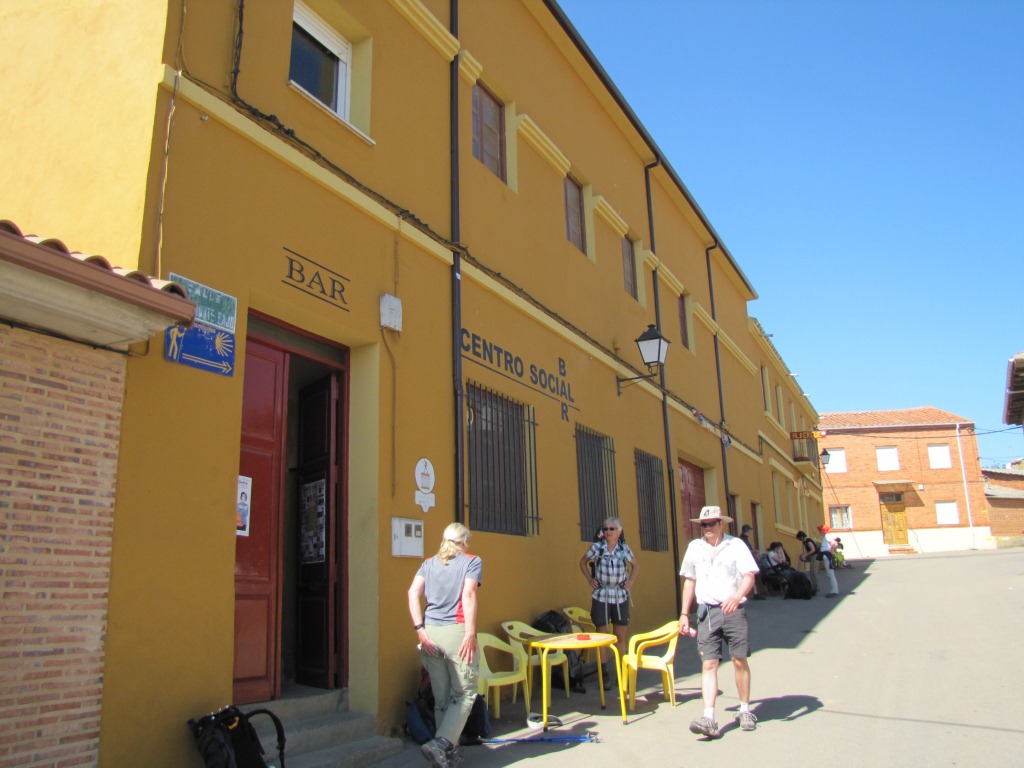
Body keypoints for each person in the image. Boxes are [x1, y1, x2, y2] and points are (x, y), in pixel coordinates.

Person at [678, 506, 760, 738]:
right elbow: (689, 581)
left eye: (712, 523)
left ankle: (745, 709)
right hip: (707, 612)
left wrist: (736, 597)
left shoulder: (735, 545)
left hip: (733, 609)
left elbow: (749, 576)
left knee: (738, 659)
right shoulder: (695, 547)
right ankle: (709, 716)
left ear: (722, 524)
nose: (707, 528)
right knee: (709, 663)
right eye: (704, 525)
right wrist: (684, 613)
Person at [408, 523, 481, 768]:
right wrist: (470, 633)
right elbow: (469, 594)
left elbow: (412, 593)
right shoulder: (471, 561)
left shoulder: (428, 563)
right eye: (467, 541)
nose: (468, 546)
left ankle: (448, 754)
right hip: (456, 632)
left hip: (431, 634)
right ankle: (440, 744)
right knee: (465, 694)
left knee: (442, 699)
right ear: (463, 542)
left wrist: (420, 630)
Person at [579, 516, 638, 689]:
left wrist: (631, 581)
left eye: (612, 529)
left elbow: (636, 565)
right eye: (605, 529)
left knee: (620, 635)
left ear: (619, 531)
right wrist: (590, 579)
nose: (608, 532)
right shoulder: (597, 548)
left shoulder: (624, 549)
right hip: (601, 595)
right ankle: (604, 674)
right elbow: (582, 562)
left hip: (620, 595)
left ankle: (622, 671)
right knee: (602, 636)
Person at [817, 524, 840, 598]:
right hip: (827, 556)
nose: (819, 531)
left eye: (820, 530)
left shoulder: (827, 536)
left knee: (830, 574)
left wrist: (831, 550)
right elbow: (835, 543)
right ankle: (834, 590)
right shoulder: (827, 536)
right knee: (830, 574)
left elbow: (833, 543)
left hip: (827, 556)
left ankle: (834, 590)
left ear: (823, 530)